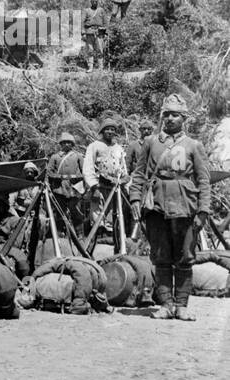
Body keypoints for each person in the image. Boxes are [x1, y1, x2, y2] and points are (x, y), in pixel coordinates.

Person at [128, 94, 212, 320]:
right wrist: (135, 199)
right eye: (166, 114)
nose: (170, 119)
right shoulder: (151, 143)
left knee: (185, 256)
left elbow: (204, 179)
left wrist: (203, 210)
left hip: (186, 205)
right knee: (161, 255)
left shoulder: (194, 145)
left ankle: (182, 306)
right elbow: (139, 173)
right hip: (156, 205)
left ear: (184, 118)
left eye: (175, 115)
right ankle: (166, 304)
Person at [82, 116, 129, 238]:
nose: (110, 132)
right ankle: (98, 240)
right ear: (102, 131)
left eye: (112, 129)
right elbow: (88, 167)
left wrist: (125, 180)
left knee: (114, 215)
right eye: (107, 129)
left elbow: (123, 167)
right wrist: (93, 187)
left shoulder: (118, 148)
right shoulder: (94, 146)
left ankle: (113, 241)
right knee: (98, 215)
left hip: (115, 187)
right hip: (100, 185)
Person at [48, 132, 85, 233]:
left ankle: (80, 235)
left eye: (69, 142)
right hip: (60, 188)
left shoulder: (78, 156)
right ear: (61, 144)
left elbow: (85, 172)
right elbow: (49, 172)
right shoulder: (55, 157)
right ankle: (60, 234)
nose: (67, 144)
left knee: (76, 211)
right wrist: (59, 177)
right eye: (64, 142)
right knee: (60, 212)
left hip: (75, 188)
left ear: (72, 144)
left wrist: (77, 178)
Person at [82, 0, 107, 70]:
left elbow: (105, 22)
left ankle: (100, 67)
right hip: (89, 32)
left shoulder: (101, 10)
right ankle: (90, 67)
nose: (95, 3)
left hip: (99, 32)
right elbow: (82, 22)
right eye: (93, 1)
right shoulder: (86, 11)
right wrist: (83, 32)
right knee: (90, 50)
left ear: (98, 2)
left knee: (100, 50)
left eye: (96, 1)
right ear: (91, 2)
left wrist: (106, 33)